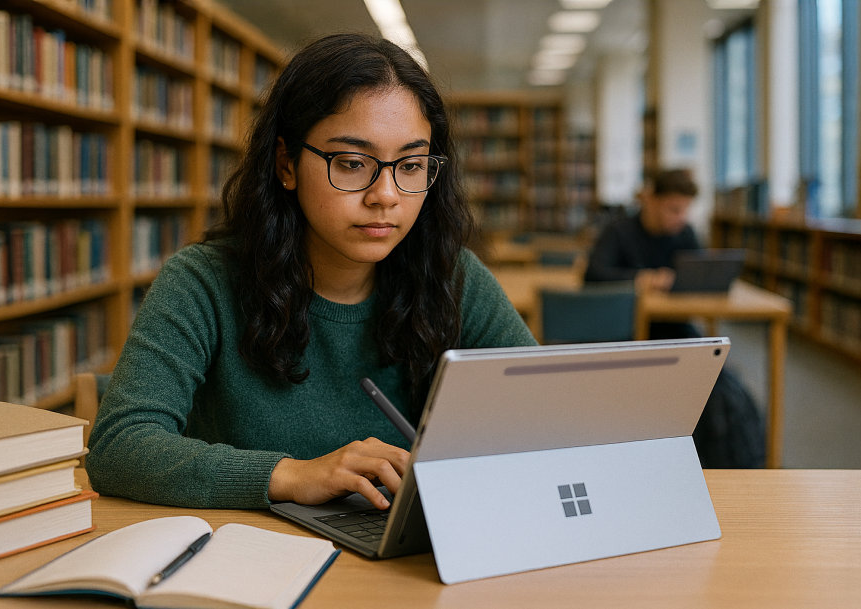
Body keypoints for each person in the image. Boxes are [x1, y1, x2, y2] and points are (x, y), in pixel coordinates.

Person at [86, 33, 536, 510]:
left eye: (410, 164)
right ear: (286, 164)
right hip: (252, 561)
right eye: (351, 163)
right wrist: (292, 475)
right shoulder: (203, 282)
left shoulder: (451, 276)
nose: (385, 194)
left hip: (400, 565)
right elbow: (119, 446)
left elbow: (546, 412)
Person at [584, 168, 765, 468]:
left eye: (685, 210)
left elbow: (697, 276)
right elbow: (593, 275)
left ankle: (719, 460)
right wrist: (643, 278)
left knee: (719, 380)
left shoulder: (685, 233)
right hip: (626, 333)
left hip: (674, 329)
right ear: (650, 200)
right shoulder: (619, 231)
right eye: (673, 209)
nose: (680, 217)